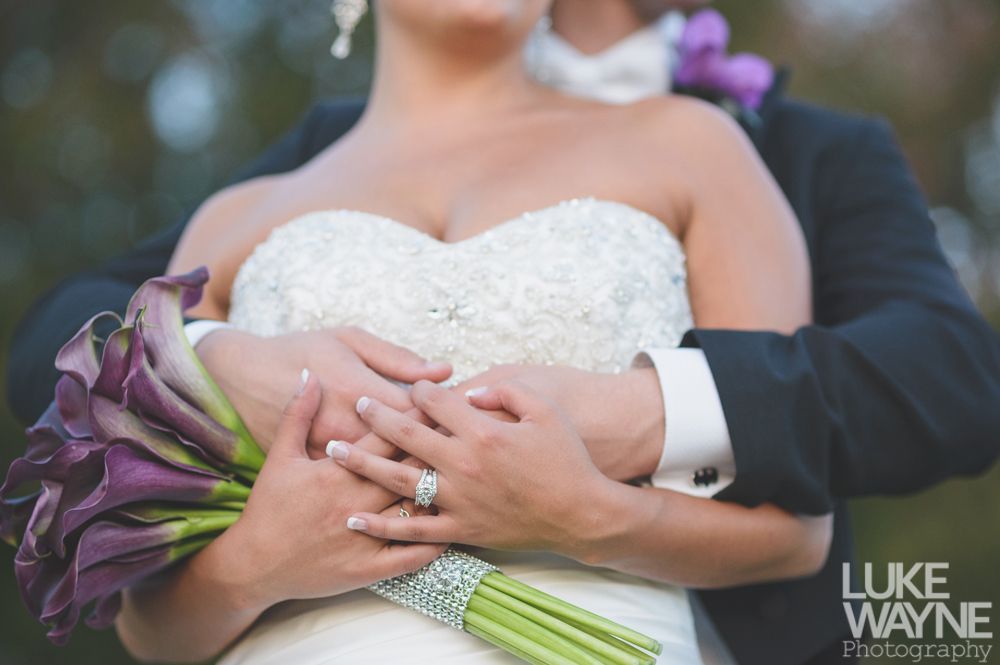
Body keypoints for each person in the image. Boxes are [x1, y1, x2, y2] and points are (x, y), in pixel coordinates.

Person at [5, 1, 998, 664]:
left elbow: (826, 498)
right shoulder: (244, 210)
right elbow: (143, 604)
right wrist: (236, 455)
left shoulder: (704, 146)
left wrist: (593, 506)